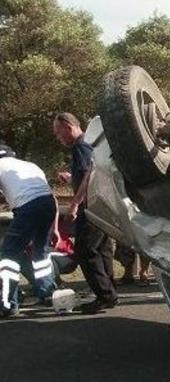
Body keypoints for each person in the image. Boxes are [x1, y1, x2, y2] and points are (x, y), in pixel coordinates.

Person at [52, 112, 118, 313]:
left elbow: (89, 177)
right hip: (103, 205)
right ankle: (109, 292)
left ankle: (105, 295)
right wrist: (71, 176)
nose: (58, 137)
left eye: (58, 132)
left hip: (91, 206)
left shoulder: (80, 146)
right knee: (102, 249)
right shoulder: (89, 145)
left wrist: (74, 204)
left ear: (68, 126)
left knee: (85, 251)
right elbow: (90, 171)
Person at [0, 145, 57, 316]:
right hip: (48, 205)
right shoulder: (30, 166)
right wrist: (55, 227)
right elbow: (50, 194)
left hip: (27, 208)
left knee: (8, 255)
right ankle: (48, 293)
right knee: (41, 252)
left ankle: (8, 303)